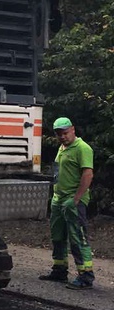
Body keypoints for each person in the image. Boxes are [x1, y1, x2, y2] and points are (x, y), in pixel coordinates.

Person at [38, 117, 95, 289]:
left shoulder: (82, 148)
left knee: (77, 237)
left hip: (73, 200)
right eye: (58, 134)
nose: (62, 137)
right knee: (58, 236)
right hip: (59, 199)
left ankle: (86, 276)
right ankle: (60, 270)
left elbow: (88, 175)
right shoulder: (62, 148)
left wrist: (76, 198)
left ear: (73, 130)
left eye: (65, 133)